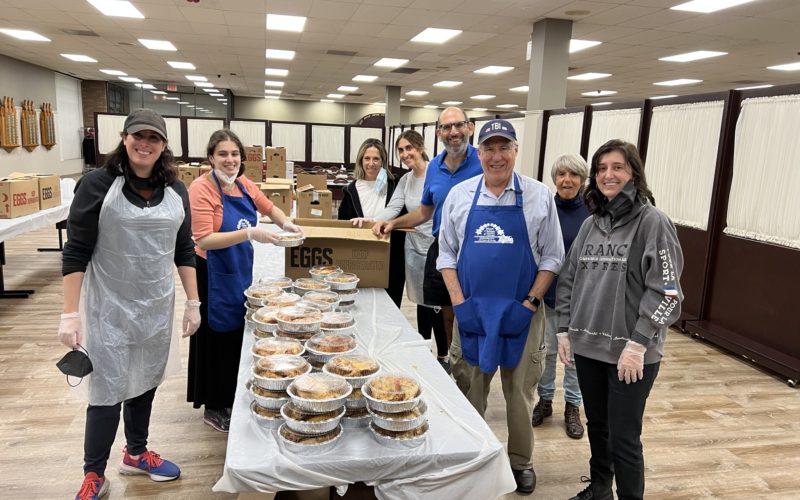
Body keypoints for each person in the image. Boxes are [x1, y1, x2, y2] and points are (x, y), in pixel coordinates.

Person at [60, 108, 201, 499]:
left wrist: (194, 302)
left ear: (164, 145)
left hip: (156, 306)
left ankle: (136, 452)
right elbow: (76, 252)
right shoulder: (96, 185)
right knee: (106, 390)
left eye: (153, 138)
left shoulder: (176, 189)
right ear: (124, 139)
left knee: (144, 381)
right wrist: (70, 313)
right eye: (138, 136)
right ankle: (94, 473)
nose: (145, 144)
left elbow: (184, 249)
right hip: (109, 307)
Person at [437, 119, 564, 495]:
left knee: (520, 393)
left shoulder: (539, 196)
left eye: (503, 147)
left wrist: (530, 302)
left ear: (515, 151)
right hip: (472, 311)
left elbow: (553, 257)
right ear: (479, 153)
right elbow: (445, 254)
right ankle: (473, 457)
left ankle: (520, 462)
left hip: (522, 313)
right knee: (469, 387)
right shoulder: (460, 196)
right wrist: (459, 303)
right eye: (489, 148)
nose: (496, 156)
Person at [556, 139, 683, 500]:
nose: (608, 175)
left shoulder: (653, 223)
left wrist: (639, 342)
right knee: (598, 427)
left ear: (633, 174)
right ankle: (599, 491)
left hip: (631, 354)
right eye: (601, 169)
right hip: (588, 348)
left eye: (617, 167)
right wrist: (564, 329)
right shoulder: (591, 225)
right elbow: (568, 279)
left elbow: (669, 294)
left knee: (624, 437)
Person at [187, 129, 302, 432]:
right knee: (215, 336)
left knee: (236, 333)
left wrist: (287, 223)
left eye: (234, 154)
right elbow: (204, 238)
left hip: (237, 266)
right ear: (211, 157)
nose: (230, 160)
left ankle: (230, 394)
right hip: (211, 269)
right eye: (223, 154)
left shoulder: (244, 184)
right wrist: (251, 233)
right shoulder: (201, 188)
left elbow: (268, 207)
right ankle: (213, 405)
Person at [372, 107, 483, 371]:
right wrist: (391, 223)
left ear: (470, 127)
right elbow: (424, 212)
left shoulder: (484, 161)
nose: (453, 132)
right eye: (446, 127)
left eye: (458, 125)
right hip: (442, 250)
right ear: (438, 133)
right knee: (442, 309)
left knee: (470, 314)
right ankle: (451, 365)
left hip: (476, 251)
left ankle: (472, 370)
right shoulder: (435, 168)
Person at [362, 130, 447, 352]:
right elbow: (392, 207)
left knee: (436, 302)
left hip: (436, 246)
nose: (405, 153)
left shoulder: (437, 174)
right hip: (414, 246)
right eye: (401, 150)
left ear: (420, 147)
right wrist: (370, 221)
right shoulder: (406, 179)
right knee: (420, 299)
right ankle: (424, 345)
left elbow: (428, 211)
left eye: (409, 148)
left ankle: (444, 354)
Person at [531, 154, 590, 439]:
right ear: (554, 178)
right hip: (548, 294)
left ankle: (572, 406)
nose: (567, 180)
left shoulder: (593, 212)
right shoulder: (545, 208)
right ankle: (544, 400)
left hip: (580, 298)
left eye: (574, 175)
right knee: (546, 352)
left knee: (574, 357)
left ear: (582, 179)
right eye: (562, 174)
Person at [338, 138, 406, 307]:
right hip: (360, 258)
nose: (371, 163)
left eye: (376, 159)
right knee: (362, 305)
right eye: (367, 158)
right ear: (361, 160)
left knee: (391, 306)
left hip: (392, 257)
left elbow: (404, 218)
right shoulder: (351, 191)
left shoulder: (395, 186)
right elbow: (342, 225)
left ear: (383, 161)